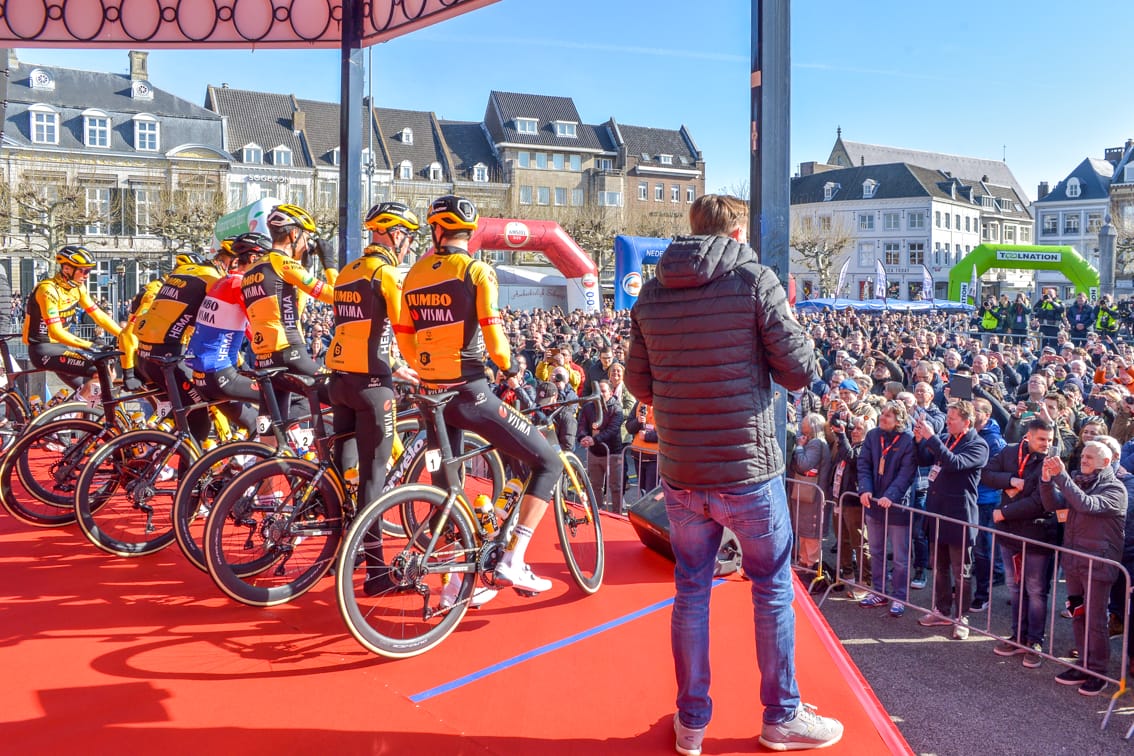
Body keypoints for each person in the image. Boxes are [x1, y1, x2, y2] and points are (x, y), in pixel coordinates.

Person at [625, 194, 842, 754]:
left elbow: (639, 386)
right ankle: (782, 716)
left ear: (692, 229)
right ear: (738, 229)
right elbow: (797, 373)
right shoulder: (755, 279)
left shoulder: (651, 291)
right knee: (771, 589)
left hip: (681, 471)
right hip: (748, 471)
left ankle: (691, 722)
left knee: (691, 590)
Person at [395, 195, 563, 595]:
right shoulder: (476, 270)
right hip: (470, 394)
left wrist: (424, 367)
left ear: (436, 230)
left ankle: (458, 583)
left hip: (430, 395)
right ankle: (513, 558)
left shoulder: (414, 274)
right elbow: (494, 336)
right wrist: (509, 367)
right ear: (468, 234)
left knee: (445, 490)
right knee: (548, 462)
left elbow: (403, 335)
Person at [1041, 441, 1127, 696]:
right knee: (1078, 613)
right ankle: (1083, 664)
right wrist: (1047, 481)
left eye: (1091, 457)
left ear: (1106, 462)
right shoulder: (1078, 481)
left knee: (1096, 619)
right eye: (1083, 456)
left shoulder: (1115, 489)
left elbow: (1086, 505)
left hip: (1098, 563)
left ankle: (1098, 671)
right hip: (1075, 560)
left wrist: (1062, 477)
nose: (1084, 460)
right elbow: (1053, 506)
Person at [242, 203, 337, 421]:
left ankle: (268, 454)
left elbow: (291, 304)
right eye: (305, 238)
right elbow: (336, 295)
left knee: (270, 426)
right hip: (291, 353)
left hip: (264, 357)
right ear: (294, 233)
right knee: (347, 399)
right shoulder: (282, 263)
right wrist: (328, 262)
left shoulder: (252, 270)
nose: (306, 245)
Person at [134, 249, 235, 442]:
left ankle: (159, 456)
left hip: (148, 355)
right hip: (166, 356)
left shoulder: (173, 282)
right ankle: (173, 467)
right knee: (200, 420)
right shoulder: (210, 279)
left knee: (182, 414)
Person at [981, 417, 1059, 668]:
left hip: (1037, 535)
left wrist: (1006, 511)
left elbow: (1041, 501)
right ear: (1028, 436)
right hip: (1009, 534)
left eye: (1050, 440)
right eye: (1042, 439)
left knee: (1035, 591)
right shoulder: (1009, 451)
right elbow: (987, 474)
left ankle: (1034, 641)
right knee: (1015, 588)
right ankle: (1017, 636)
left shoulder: (1052, 461)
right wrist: (1011, 481)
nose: (1047, 444)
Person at [913, 399, 990, 640]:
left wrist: (932, 438)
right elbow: (926, 460)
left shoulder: (978, 445)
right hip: (938, 511)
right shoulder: (946, 438)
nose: (947, 421)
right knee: (940, 567)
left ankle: (962, 616)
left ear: (966, 422)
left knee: (961, 571)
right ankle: (941, 610)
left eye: (952, 418)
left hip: (960, 515)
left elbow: (955, 463)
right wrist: (920, 440)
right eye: (948, 417)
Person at [185, 234, 272, 437]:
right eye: (265, 262)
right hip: (221, 375)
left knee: (251, 425)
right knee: (281, 395)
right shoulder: (240, 285)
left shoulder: (222, 282)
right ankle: (274, 460)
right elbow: (255, 327)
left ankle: (239, 463)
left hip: (204, 375)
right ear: (252, 259)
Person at [23, 246, 122, 399]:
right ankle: (64, 418)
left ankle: (79, 419)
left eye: (88, 271)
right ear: (67, 268)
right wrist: (91, 346)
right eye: (83, 271)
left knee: (99, 384)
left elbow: (98, 316)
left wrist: (124, 335)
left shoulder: (78, 289)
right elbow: (56, 331)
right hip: (43, 349)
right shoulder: (48, 290)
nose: (87, 276)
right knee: (101, 370)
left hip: (61, 348)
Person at [856, 400, 917, 617]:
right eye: (882, 413)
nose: (883, 417)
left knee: (900, 557)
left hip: (898, 506)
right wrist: (864, 489)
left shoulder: (908, 440)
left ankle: (899, 597)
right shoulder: (873, 435)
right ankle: (879, 591)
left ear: (899, 420)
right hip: (874, 505)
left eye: (888, 415)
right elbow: (863, 464)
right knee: (876, 551)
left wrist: (891, 496)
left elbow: (907, 473)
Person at [577, 378, 625, 513]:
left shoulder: (616, 408)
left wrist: (595, 439)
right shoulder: (588, 407)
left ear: (610, 392)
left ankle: (617, 514)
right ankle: (597, 512)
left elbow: (613, 430)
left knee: (615, 487)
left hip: (613, 453)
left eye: (603, 391)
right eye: (598, 391)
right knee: (595, 486)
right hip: (594, 453)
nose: (600, 394)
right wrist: (583, 437)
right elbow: (581, 425)